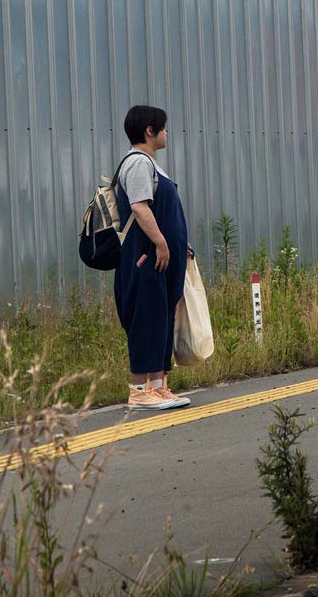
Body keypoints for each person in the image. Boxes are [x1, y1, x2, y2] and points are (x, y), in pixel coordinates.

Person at [113, 105, 193, 410]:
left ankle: (158, 387)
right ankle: (138, 390)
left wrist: (179, 243)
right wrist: (161, 243)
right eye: (163, 127)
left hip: (160, 257)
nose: (166, 133)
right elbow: (140, 207)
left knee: (161, 317)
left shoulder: (151, 165)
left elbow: (164, 212)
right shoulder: (137, 164)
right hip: (145, 257)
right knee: (146, 318)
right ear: (150, 130)